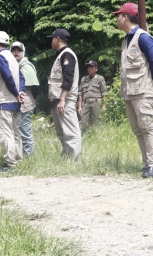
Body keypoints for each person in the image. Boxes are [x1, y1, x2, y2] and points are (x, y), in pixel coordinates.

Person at [113, 3, 153, 178]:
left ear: (126, 17)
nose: (117, 19)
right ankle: (146, 163)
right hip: (129, 92)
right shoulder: (125, 41)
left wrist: (152, 88)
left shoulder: (143, 37)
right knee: (137, 129)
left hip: (142, 91)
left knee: (146, 126)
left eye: (118, 16)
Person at [0, 31, 25, 171]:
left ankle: (10, 164)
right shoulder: (12, 57)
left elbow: (7, 76)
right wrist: (20, 92)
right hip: (15, 102)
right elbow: (21, 77)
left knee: (5, 132)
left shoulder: (0, 57)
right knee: (15, 132)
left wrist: (16, 93)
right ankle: (19, 160)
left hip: (5, 100)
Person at [47, 29, 82, 159]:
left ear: (57, 39)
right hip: (58, 100)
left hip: (65, 100)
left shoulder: (67, 55)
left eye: (52, 39)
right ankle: (68, 157)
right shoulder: (61, 55)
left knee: (71, 131)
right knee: (62, 132)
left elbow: (68, 78)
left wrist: (62, 99)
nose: (51, 42)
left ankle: (74, 160)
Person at [12, 42, 39, 156]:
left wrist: (31, 100)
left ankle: (29, 157)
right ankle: (19, 156)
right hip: (14, 102)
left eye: (19, 50)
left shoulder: (26, 66)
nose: (16, 52)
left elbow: (36, 88)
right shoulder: (12, 66)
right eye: (14, 50)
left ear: (23, 52)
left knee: (25, 132)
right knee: (15, 132)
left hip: (25, 102)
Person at [77, 60, 107, 131]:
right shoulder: (83, 79)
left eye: (91, 67)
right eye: (88, 67)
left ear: (96, 69)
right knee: (83, 123)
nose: (89, 69)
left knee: (97, 122)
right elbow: (80, 93)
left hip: (96, 102)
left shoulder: (100, 78)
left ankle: (98, 137)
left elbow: (104, 93)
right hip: (86, 103)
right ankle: (83, 137)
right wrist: (79, 106)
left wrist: (104, 105)